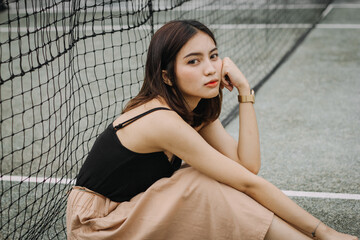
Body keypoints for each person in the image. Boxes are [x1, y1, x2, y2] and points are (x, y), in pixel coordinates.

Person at [66, 20, 357, 240]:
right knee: (199, 182)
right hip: (95, 225)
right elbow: (248, 183)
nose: (209, 68)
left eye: (213, 56)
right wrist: (325, 232)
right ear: (167, 76)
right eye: (194, 61)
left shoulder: (193, 110)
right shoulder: (162, 120)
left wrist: (244, 91)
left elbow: (247, 166)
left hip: (131, 208)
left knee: (209, 177)